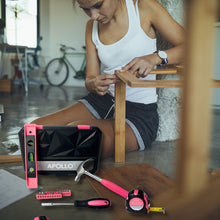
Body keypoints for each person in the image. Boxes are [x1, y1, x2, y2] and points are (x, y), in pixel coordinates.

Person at [32, 0, 184, 158]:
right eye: (85, 9)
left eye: (98, 5)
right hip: (102, 101)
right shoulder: (91, 27)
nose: (94, 16)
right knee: (33, 130)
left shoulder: (144, 7)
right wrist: (93, 83)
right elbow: (90, 78)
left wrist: (156, 58)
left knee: (77, 137)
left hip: (139, 112)